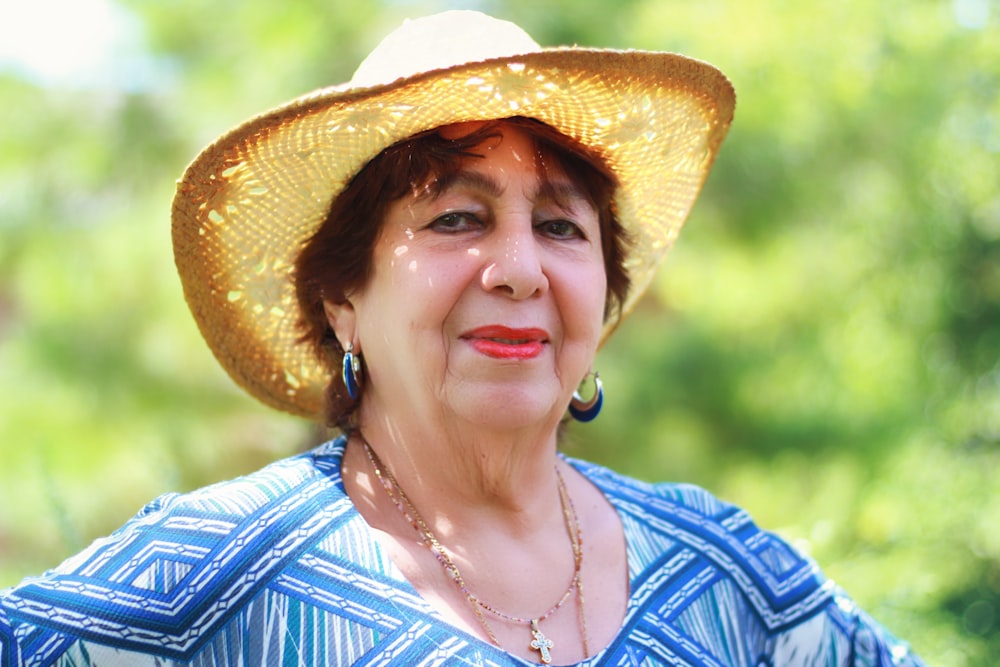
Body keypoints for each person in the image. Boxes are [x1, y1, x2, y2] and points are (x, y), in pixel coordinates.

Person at [0, 10, 924, 666]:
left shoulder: (725, 572)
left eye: (561, 227)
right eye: (455, 219)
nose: (520, 269)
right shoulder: (219, 569)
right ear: (342, 300)